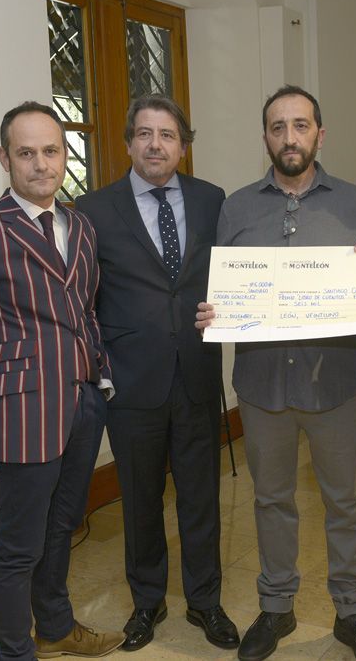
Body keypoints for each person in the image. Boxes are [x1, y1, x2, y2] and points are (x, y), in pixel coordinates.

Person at [195, 85, 356, 661]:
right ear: (266, 137)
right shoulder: (236, 207)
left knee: (345, 502)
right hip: (261, 387)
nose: (290, 137)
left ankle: (351, 614)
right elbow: (223, 289)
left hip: (334, 384)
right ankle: (276, 608)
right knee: (271, 499)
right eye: (278, 127)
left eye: (301, 126)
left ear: (319, 135)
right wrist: (214, 309)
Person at [0, 101, 123, 661]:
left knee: (64, 527)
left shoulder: (80, 226)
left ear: (65, 156)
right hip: (20, 415)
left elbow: (85, 309)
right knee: (18, 547)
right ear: (5, 159)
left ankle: (56, 627)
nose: (42, 165)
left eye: (52, 151)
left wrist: (100, 380)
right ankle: (16, 651)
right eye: (27, 153)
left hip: (84, 406)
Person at [74, 95, 239, 652]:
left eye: (167, 135)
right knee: (140, 500)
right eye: (144, 134)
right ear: (127, 144)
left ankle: (205, 601)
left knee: (201, 497)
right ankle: (146, 604)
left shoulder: (212, 200)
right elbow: (81, 296)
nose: (155, 145)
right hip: (131, 380)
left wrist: (231, 307)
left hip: (195, 373)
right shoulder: (94, 209)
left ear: (183, 146)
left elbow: (234, 274)